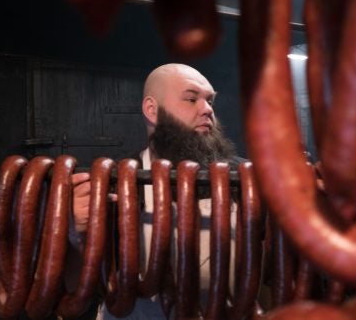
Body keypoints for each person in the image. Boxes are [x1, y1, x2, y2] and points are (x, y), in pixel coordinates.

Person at [70, 63, 240, 319]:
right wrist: (77, 234)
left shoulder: (244, 180)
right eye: (192, 99)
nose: (207, 110)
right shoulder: (113, 183)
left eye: (210, 101)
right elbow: (74, 288)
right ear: (152, 110)